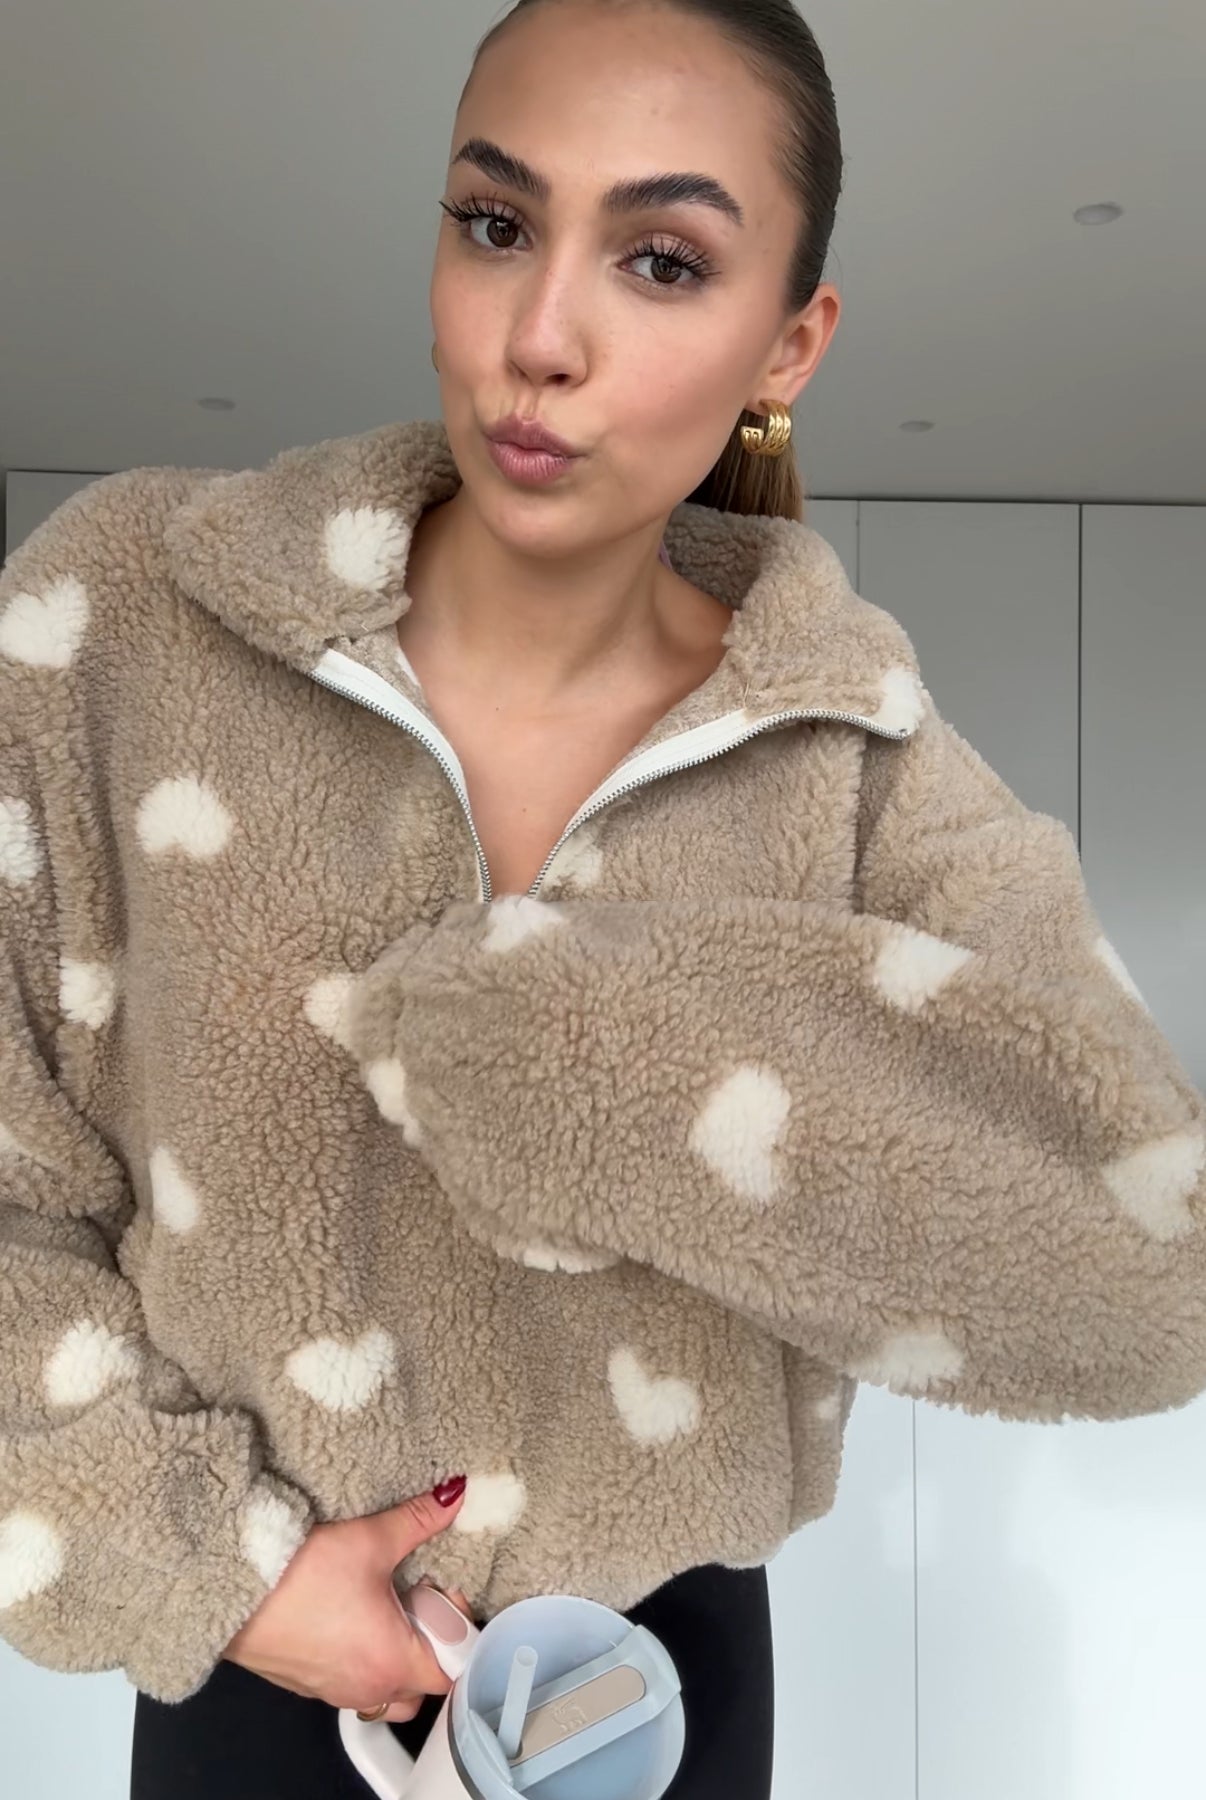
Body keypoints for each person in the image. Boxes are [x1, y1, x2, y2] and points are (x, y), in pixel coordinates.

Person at [1, 2, 1203, 1797]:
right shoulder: (124, 627)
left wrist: (586, 1054)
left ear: (786, 342)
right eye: (495, 223)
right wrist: (220, 1572)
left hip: (655, 1690)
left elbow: (1138, 1268)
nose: (539, 337)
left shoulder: (855, 757)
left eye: (661, 261)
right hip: (249, 1659)